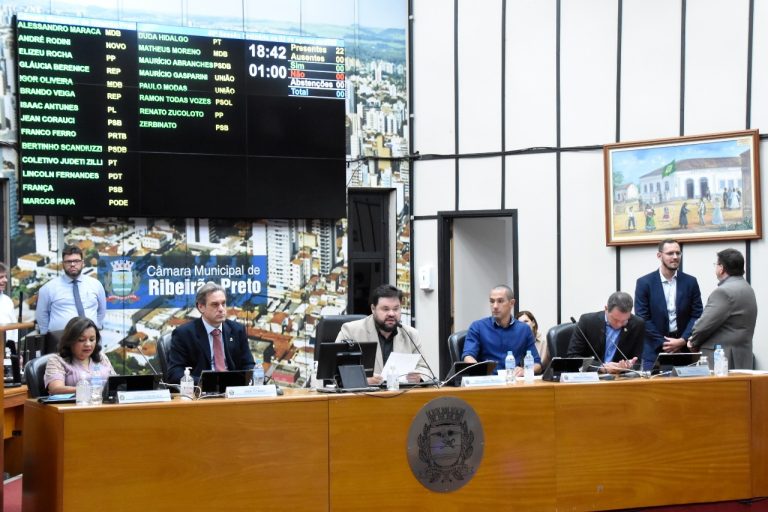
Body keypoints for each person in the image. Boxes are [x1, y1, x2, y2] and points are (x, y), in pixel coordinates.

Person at [336, 284, 430, 385]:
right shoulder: (350, 331)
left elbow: (424, 369)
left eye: (396, 309)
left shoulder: (411, 334)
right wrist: (362, 380)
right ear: (373, 308)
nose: (391, 314)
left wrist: (419, 377)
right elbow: (336, 370)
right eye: (385, 309)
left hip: (400, 396)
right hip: (364, 397)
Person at [167, 282, 255, 383]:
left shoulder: (237, 330)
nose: (221, 309)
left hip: (233, 391)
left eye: (223, 303)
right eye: (215, 305)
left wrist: (246, 379)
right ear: (201, 307)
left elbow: (249, 364)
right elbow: (175, 373)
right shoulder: (184, 334)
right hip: (202, 392)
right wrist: (209, 382)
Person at [634, 239, 703, 370]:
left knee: (686, 390)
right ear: (659, 256)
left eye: (678, 253)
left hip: (684, 350)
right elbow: (642, 317)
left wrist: (683, 340)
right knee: (653, 390)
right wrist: (666, 344)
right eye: (670, 253)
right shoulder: (644, 283)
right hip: (654, 350)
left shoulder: (690, 282)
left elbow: (697, 314)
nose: (675, 257)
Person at [687, 248, 757, 369]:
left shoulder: (723, 292)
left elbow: (704, 325)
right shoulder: (747, 288)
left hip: (722, 360)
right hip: (742, 358)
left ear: (722, 268)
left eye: (716, 264)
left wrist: (693, 341)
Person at [462, 285, 541, 376]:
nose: (495, 306)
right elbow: (468, 356)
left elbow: (537, 364)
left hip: (513, 381)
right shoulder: (478, 326)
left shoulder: (524, 329)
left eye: (500, 301)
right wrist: (480, 371)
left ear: (511, 303)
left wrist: (525, 371)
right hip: (487, 381)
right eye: (492, 301)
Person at [567, 291, 644, 374]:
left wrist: (629, 365)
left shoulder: (637, 324)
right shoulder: (587, 322)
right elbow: (572, 357)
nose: (619, 324)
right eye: (615, 320)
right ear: (606, 309)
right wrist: (600, 367)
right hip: (591, 378)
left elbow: (637, 360)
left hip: (620, 379)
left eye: (624, 321)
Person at [36, 245, 106, 334]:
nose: (72, 264)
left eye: (76, 261)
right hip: (60, 341)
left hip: (89, 340)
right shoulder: (48, 288)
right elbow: (41, 315)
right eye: (68, 261)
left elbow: (102, 310)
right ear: (63, 264)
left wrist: (96, 328)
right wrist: (47, 336)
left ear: (82, 263)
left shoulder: (96, 285)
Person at [43, 316, 116, 394]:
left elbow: (116, 383)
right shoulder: (57, 360)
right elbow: (56, 389)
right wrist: (93, 390)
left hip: (104, 404)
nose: (88, 344)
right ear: (70, 341)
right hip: (73, 404)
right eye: (81, 340)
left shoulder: (101, 357)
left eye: (92, 340)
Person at [0, 262, 18, 345]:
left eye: (5, 277)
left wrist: (16, 351)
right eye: (1, 277)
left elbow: (14, 329)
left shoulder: (7, 301)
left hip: (7, 352)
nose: (5, 280)